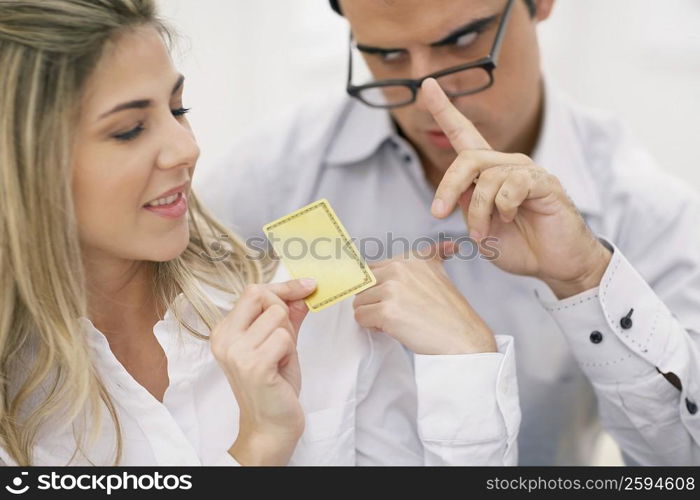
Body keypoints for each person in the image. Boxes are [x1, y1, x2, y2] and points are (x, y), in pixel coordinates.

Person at [0, 0, 520, 466]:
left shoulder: (315, 288)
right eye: (129, 129)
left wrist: (467, 361)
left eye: (178, 109)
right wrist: (258, 449)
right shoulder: (15, 401)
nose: (187, 148)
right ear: (20, 166)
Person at [199, 0, 700, 465]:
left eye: (462, 40)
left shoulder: (644, 210)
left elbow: (683, 462)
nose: (426, 94)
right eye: (388, 55)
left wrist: (585, 280)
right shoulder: (270, 179)